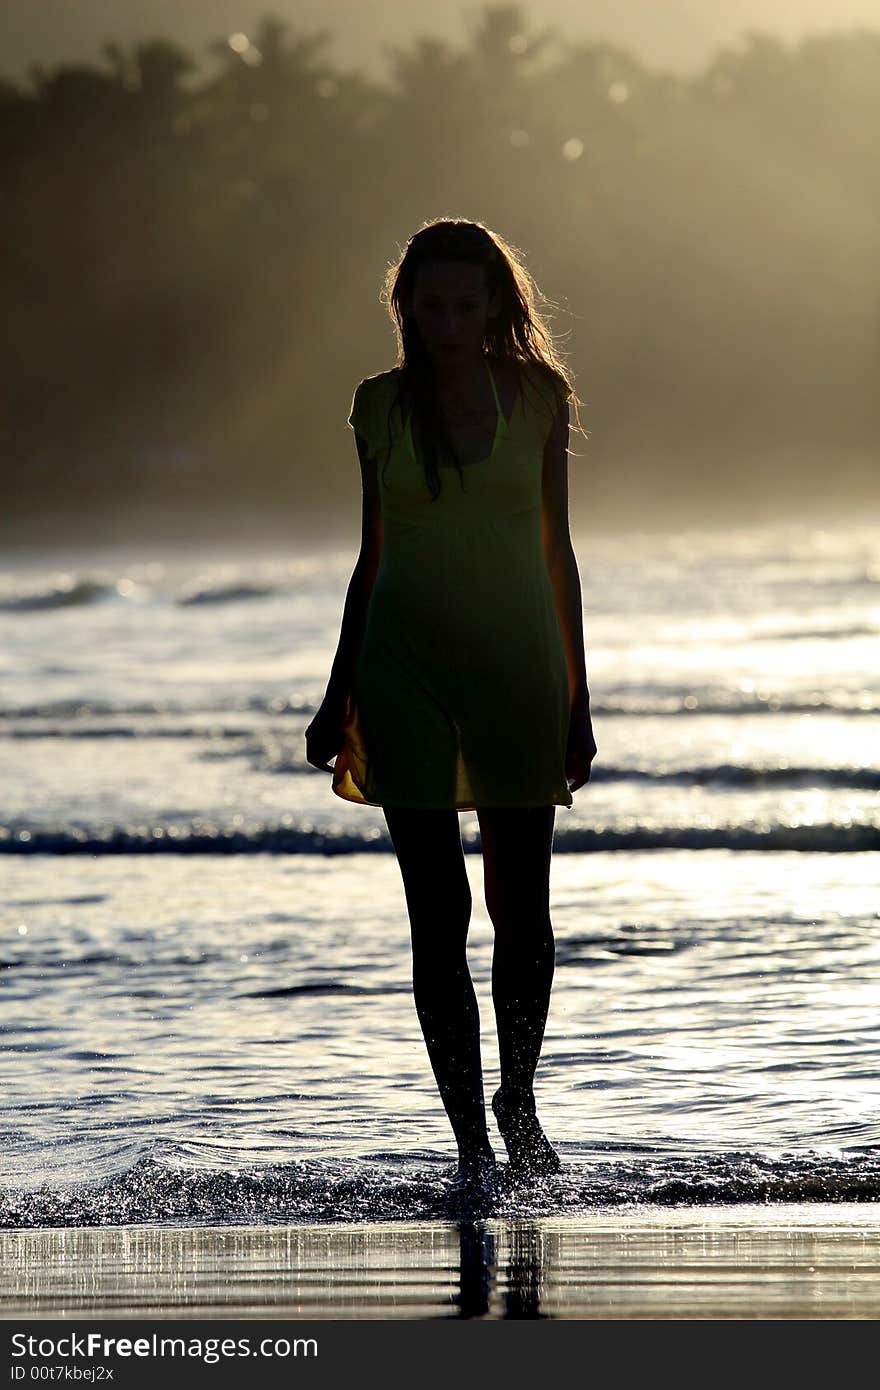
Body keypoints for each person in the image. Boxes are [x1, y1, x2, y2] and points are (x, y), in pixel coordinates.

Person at [305, 218, 597, 1198]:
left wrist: (577, 695)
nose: (445, 322)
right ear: (406, 309)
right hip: (404, 669)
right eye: (428, 305)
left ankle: (518, 1099)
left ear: (496, 310)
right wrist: (334, 691)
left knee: (524, 913)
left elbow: (558, 554)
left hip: (518, 668)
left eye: (464, 305)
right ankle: (470, 1141)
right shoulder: (378, 407)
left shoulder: (538, 399)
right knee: (440, 914)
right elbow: (369, 555)